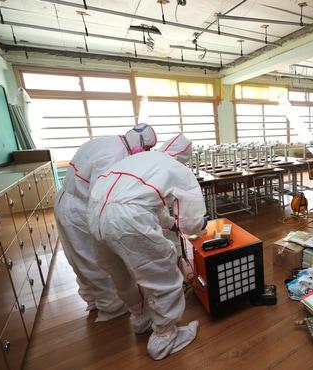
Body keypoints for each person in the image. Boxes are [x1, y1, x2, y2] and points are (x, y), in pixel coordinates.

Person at [86, 139, 206, 361]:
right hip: (127, 218)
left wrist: (171, 224)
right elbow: (192, 221)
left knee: (121, 273)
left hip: (95, 214)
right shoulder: (178, 169)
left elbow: (151, 203)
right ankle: (165, 337)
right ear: (184, 157)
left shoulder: (138, 160)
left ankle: (141, 318)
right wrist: (198, 225)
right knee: (162, 271)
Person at [54, 123, 157, 321]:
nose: (146, 153)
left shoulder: (106, 141)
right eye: (148, 149)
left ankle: (94, 300)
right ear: (141, 144)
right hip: (81, 209)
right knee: (95, 259)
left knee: (79, 258)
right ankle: (111, 306)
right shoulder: (116, 157)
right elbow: (104, 196)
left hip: (68, 199)